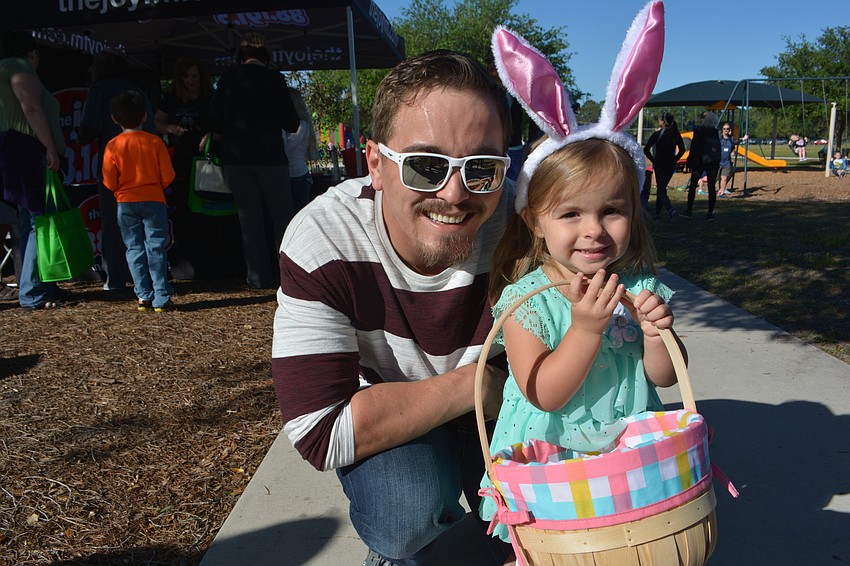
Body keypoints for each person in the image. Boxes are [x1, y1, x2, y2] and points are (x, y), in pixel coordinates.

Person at [272, 49, 514, 566]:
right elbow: (319, 430)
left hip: (502, 405)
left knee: (530, 519)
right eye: (426, 167)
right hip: (416, 401)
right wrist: (477, 386)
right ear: (377, 165)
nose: (455, 193)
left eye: (482, 168)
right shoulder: (324, 239)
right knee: (406, 512)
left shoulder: (529, 219)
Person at [480, 18, 681, 560]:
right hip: (553, 459)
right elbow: (542, 391)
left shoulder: (637, 283)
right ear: (535, 220)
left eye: (611, 211)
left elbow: (665, 375)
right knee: (558, 548)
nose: (593, 229)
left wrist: (658, 335)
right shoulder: (528, 300)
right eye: (570, 213)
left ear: (631, 214)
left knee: (631, 542)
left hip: (628, 455)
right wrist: (588, 329)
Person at [208, 32, 299, 289]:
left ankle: (257, 277)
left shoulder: (227, 80)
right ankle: (290, 277)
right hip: (271, 157)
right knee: (282, 218)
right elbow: (291, 123)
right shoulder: (275, 79)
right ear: (265, 56)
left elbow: (214, 121)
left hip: (236, 158)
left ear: (240, 56)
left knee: (249, 218)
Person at [0, 31, 69, 309]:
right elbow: (31, 108)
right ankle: (33, 291)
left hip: (12, 150)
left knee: (33, 218)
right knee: (37, 219)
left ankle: (42, 285)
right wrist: (50, 147)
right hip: (27, 151)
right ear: (32, 53)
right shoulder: (19, 68)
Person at [79, 51, 156, 293]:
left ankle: (116, 278)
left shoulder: (100, 89)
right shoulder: (138, 90)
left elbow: (87, 129)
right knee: (148, 231)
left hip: (117, 171)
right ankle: (147, 280)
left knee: (113, 225)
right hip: (146, 173)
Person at [101, 91, 176, 312]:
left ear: (115, 119)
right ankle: (162, 297)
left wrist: (122, 189)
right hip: (154, 200)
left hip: (125, 201)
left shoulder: (113, 146)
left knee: (133, 248)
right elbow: (168, 175)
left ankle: (143, 295)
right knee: (156, 248)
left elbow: (108, 180)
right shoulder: (155, 142)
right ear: (145, 116)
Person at [154, 56, 214, 275]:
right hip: (178, 160)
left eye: (195, 76)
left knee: (205, 204)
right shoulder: (170, 98)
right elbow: (156, 122)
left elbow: (221, 123)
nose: (191, 81)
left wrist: (209, 135)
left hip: (206, 161)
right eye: (187, 76)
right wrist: (170, 128)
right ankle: (184, 252)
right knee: (181, 207)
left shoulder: (209, 97)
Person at [643, 111, 685, 220]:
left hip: (660, 164)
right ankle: (658, 214)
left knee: (661, 189)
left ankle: (671, 210)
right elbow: (682, 150)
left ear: (663, 121)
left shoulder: (658, 134)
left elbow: (646, 149)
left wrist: (653, 160)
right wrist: (675, 159)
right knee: (662, 189)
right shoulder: (676, 134)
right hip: (670, 165)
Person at [283, 86, 319, 213]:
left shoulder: (301, 125)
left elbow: (286, 148)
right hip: (292, 176)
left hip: (297, 177)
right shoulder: (297, 125)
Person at [683, 111, 720, 220]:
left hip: (699, 162)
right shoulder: (715, 132)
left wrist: (692, 162)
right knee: (711, 187)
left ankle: (689, 210)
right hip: (712, 163)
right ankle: (710, 212)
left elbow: (695, 148)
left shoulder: (699, 131)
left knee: (693, 185)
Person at [717, 122, 742, 197]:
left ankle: (722, 193)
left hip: (727, 162)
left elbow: (734, 144)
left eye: (727, 129)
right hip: (718, 162)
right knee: (716, 178)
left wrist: (733, 151)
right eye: (724, 129)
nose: (726, 130)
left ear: (729, 130)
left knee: (724, 178)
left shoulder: (731, 139)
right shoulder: (719, 138)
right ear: (722, 130)